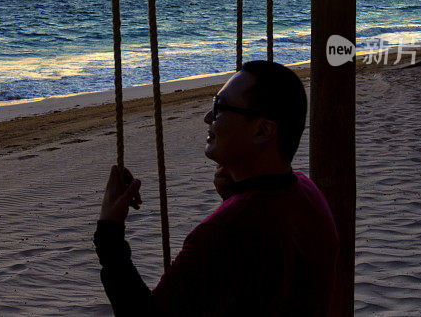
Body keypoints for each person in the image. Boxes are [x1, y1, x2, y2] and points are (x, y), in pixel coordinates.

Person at [94, 60, 339, 316]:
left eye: (219, 108)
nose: (208, 117)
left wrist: (109, 235)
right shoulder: (308, 193)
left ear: (263, 130)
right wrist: (236, 195)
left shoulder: (223, 233)